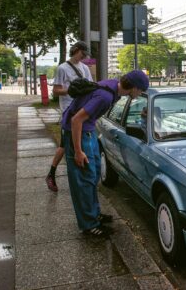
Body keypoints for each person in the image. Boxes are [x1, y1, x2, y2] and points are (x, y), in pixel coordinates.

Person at [61, 70, 149, 237]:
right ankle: (89, 225)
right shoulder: (106, 97)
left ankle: (94, 214)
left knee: (93, 175)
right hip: (79, 134)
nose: (140, 94)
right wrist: (78, 151)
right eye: (141, 90)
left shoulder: (114, 89)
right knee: (84, 180)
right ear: (134, 88)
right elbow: (76, 120)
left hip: (88, 132)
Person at [45, 41, 93, 192]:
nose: (83, 57)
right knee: (69, 145)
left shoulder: (85, 68)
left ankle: (53, 174)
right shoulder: (62, 68)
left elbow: (90, 86)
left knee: (67, 145)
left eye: (85, 55)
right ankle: (56, 175)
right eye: (82, 54)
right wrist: (72, 91)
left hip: (82, 110)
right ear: (76, 50)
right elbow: (56, 91)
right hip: (69, 112)